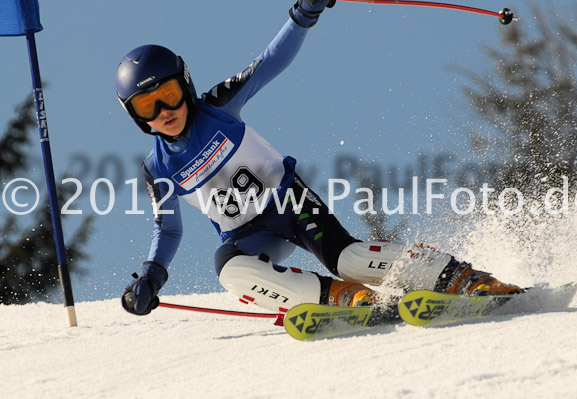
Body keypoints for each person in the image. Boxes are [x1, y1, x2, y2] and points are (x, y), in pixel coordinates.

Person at [117, 0, 521, 316]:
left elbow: (268, 63)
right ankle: (342, 298)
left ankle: (457, 276)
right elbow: (168, 232)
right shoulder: (158, 169)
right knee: (230, 270)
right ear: (135, 117)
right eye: (147, 107)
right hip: (247, 235)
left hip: (289, 202)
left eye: (167, 96)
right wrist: (151, 277)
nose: (163, 113)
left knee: (346, 257)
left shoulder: (218, 109)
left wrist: (303, 13)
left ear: (184, 86)